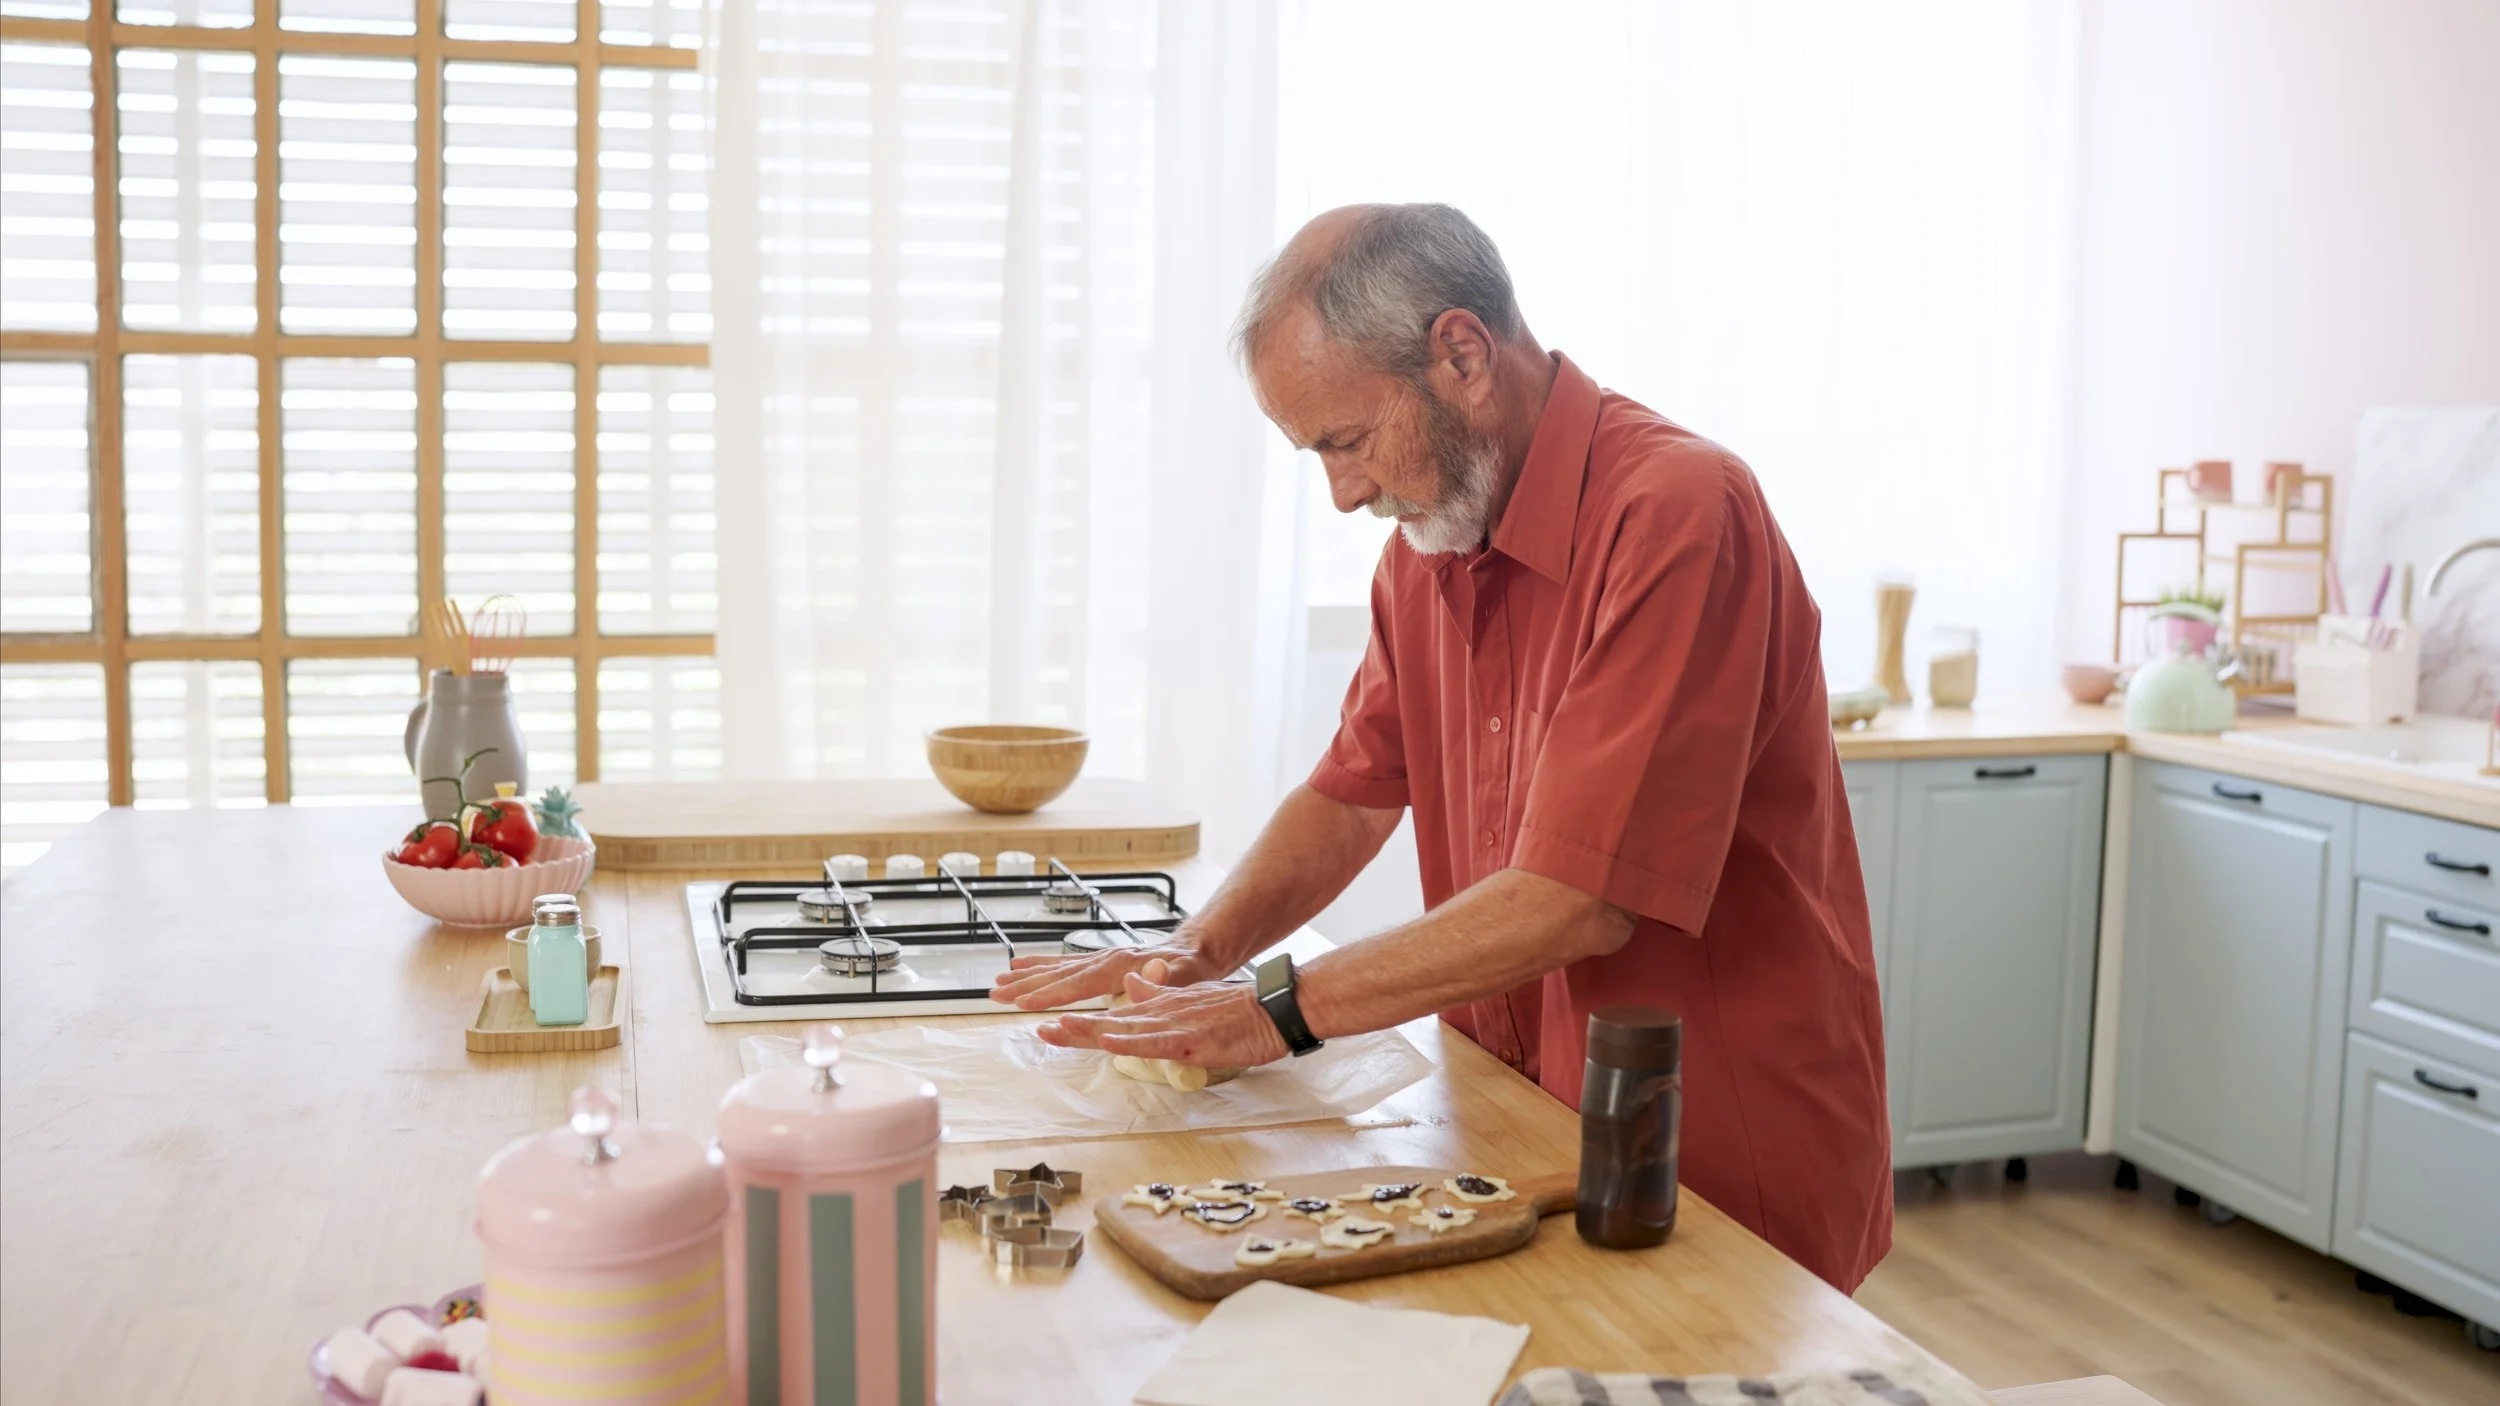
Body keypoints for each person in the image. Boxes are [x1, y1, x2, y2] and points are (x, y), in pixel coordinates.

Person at [991, 203, 1891, 1290]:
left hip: (1710, 1135)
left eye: (1346, 438)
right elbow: (1351, 795)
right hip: (1518, 1115)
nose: (1343, 491)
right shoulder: (1424, 549)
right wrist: (1197, 954)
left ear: (1461, 354)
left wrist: (1270, 1009)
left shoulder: (1678, 510)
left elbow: (1579, 894)